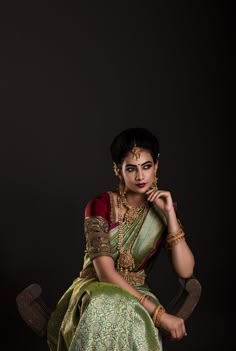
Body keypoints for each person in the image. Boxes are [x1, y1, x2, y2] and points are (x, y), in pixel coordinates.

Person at [46, 127, 195, 351]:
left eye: (146, 167)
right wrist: (158, 314)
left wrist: (170, 216)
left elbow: (186, 271)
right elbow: (105, 273)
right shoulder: (100, 205)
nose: (140, 176)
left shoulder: (163, 209)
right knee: (103, 305)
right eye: (131, 169)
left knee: (131, 313)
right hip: (96, 288)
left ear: (156, 166)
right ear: (118, 170)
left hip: (137, 291)